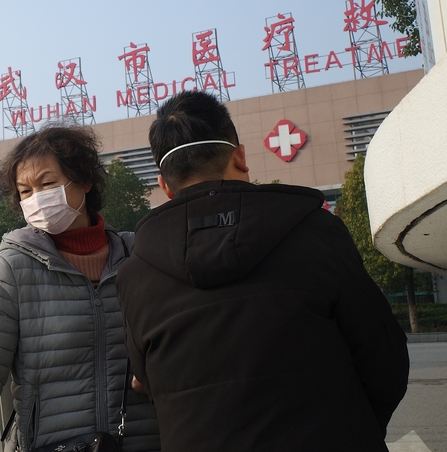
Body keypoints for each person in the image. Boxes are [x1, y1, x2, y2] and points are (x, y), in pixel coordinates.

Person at [116, 91, 409, 452]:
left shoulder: (135, 274)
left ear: (164, 184)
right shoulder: (317, 233)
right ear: (240, 156)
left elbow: (149, 382)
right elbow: (386, 360)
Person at [0, 125, 160, 452]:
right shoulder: (12, 269)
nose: (37, 199)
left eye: (48, 184)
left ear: (84, 180)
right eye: (26, 191)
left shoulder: (139, 258)